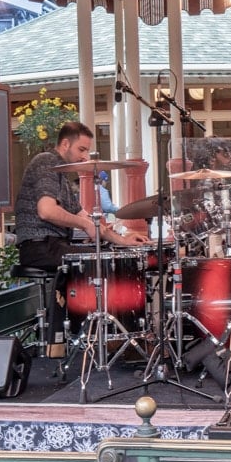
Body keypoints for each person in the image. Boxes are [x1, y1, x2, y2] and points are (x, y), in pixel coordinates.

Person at [14, 121, 149, 356]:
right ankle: (105, 339)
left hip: (53, 245)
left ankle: (108, 336)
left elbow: (88, 219)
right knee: (101, 261)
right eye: (82, 150)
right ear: (65, 144)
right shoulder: (46, 162)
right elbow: (46, 210)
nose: (85, 157)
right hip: (39, 246)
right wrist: (85, 224)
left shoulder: (62, 178)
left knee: (113, 254)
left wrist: (123, 239)